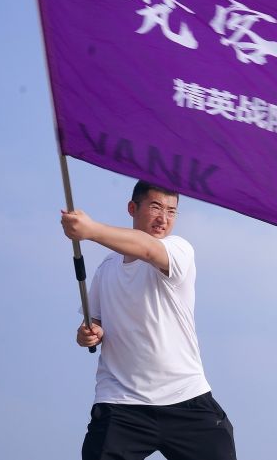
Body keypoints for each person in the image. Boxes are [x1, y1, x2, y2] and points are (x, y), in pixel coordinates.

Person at [61, 180, 237, 460]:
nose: (163, 218)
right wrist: (88, 333)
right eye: (156, 207)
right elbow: (93, 323)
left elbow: (147, 249)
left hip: (186, 400)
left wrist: (91, 230)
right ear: (133, 208)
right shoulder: (107, 268)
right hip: (120, 404)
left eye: (171, 211)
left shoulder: (179, 250)